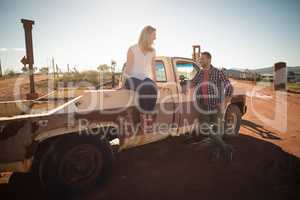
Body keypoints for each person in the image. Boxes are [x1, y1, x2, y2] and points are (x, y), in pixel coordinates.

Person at [193, 52, 234, 160]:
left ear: (209, 60)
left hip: (216, 106)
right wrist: (184, 83)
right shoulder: (200, 73)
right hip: (203, 106)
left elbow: (229, 87)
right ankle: (226, 148)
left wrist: (225, 101)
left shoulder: (218, 72)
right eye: (200, 59)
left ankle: (216, 153)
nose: (200, 61)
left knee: (217, 131)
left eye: (202, 59)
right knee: (205, 128)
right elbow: (193, 82)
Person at [123, 25, 158, 133]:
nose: (155, 38)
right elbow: (128, 68)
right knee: (145, 86)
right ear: (147, 36)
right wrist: (122, 84)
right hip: (131, 79)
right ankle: (143, 116)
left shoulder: (153, 51)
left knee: (151, 86)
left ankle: (148, 115)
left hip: (144, 79)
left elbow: (153, 68)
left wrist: (156, 84)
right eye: (154, 35)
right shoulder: (132, 49)